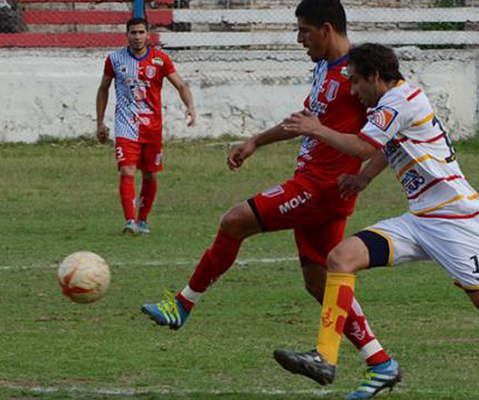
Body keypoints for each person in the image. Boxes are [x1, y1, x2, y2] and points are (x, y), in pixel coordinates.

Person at [273, 43, 479, 400]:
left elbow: (363, 145)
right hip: (420, 220)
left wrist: (315, 128)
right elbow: (383, 147)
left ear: (376, 77)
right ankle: (325, 358)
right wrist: (363, 179)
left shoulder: (398, 101)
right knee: (341, 258)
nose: (352, 90)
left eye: (356, 82)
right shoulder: (391, 103)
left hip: (458, 220)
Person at [141, 2, 401, 398]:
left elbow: (395, 123)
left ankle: (183, 304)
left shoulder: (360, 72)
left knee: (233, 221)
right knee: (321, 283)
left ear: (326, 29)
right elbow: (306, 119)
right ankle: (380, 362)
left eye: (304, 31)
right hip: (317, 185)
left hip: (320, 188)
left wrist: (364, 174)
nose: (299, 40)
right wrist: (256, 141)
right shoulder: (325, 71)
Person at [96, 17, 197, 234]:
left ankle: (142, 220)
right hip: (126, 125)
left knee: (150, 175)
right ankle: (130, 221)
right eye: (133, 33)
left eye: (141, 32)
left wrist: (190, 106)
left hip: (152, 127)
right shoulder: (114, 59)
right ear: (127, 35)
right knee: (127, 170)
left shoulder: (161, 59)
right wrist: (100, 122)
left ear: (148, 34)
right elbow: (103, 89)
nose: (137, 37)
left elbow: (180, 84)